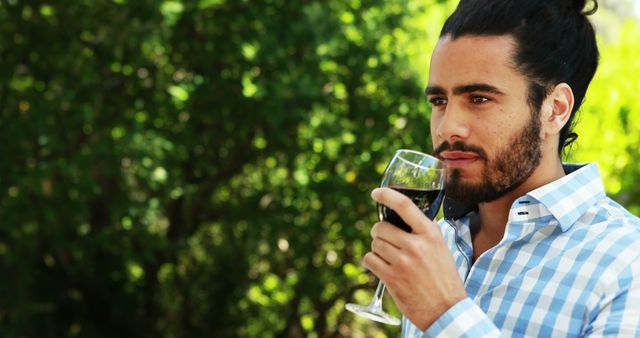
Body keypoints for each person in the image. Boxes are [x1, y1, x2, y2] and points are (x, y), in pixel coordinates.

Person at [363, 0, 640, 336]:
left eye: (479, 99)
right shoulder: (440, 242)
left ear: (554, 109)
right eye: (439, 101)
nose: (447, 127)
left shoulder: (628, 264)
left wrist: (444, 312)